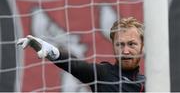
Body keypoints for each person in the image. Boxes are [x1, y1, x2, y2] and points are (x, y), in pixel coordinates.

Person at [17, 17, 145, 92]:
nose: (125, 51)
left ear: (142, 46)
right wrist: (52, 51)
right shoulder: (104, 74)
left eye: (131, 44)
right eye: (120, 45)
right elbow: (77, 66)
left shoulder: (153, 84)